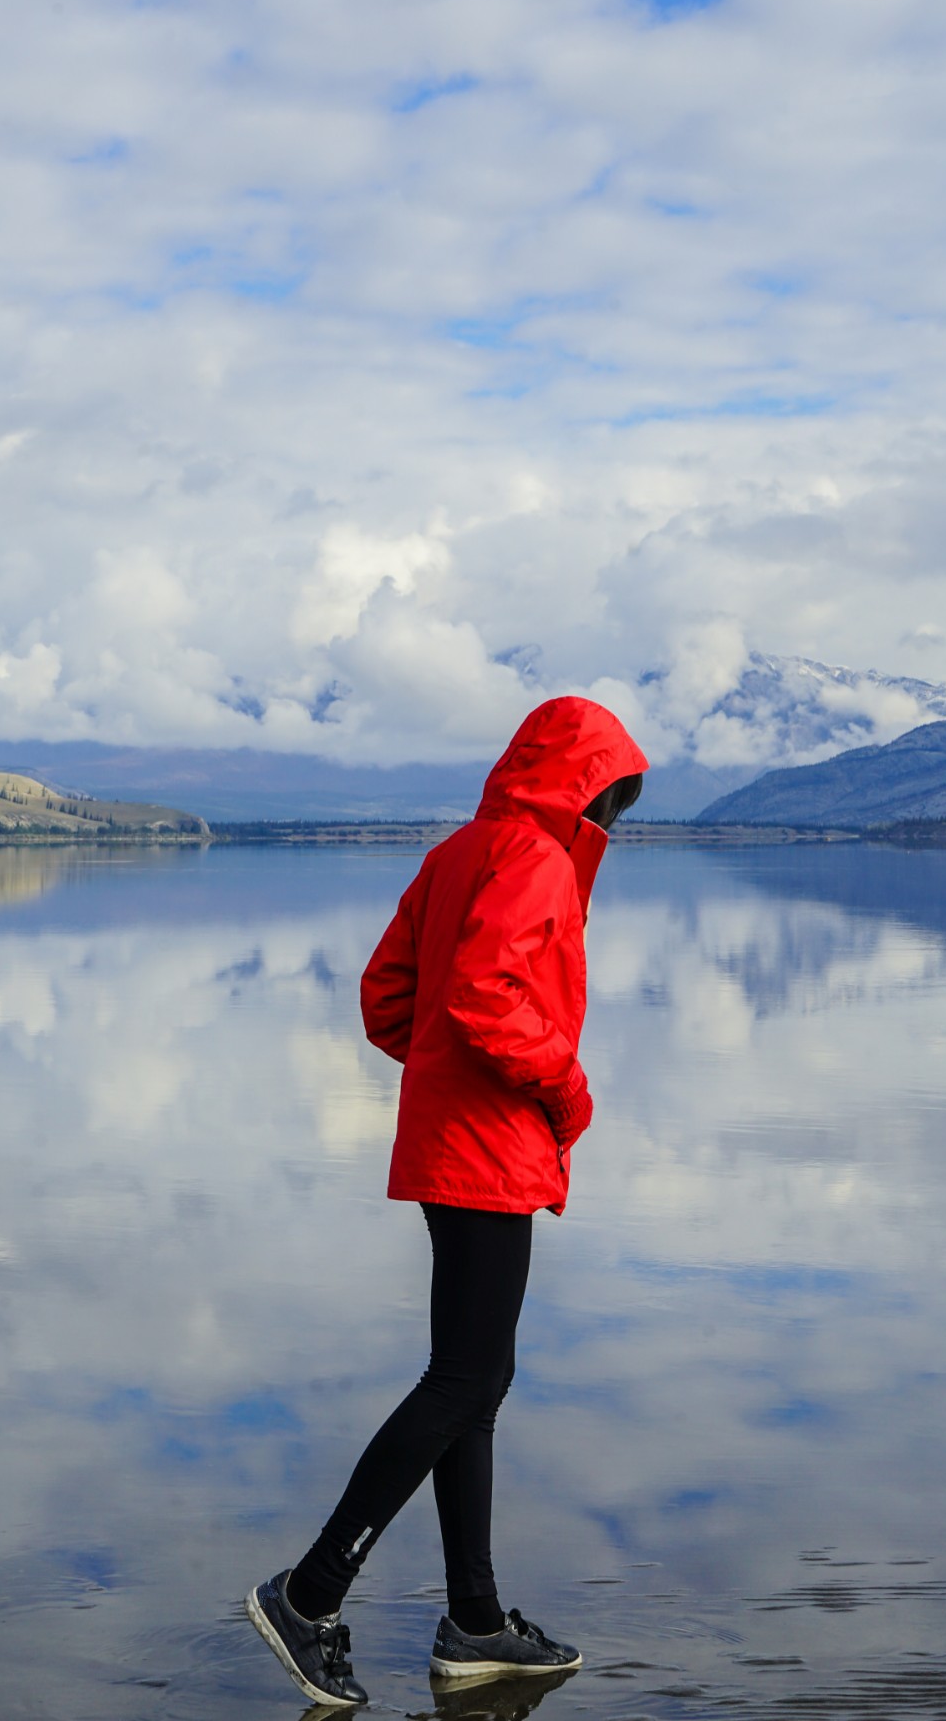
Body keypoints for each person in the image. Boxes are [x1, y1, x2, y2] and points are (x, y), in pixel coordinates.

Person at [247, 696, 647, 1706]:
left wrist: (437, 1075)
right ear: (586, 782)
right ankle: (311, 1589)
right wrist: (563, 1087)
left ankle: (476, 1621)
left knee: (474, 1378)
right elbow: (483, 996)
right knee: (467, 1379)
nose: (615, 819)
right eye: (612, 798)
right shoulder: (537, 857)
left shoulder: (461, 849)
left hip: (451, 1142)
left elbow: (393, 994)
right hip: (490, 1146)